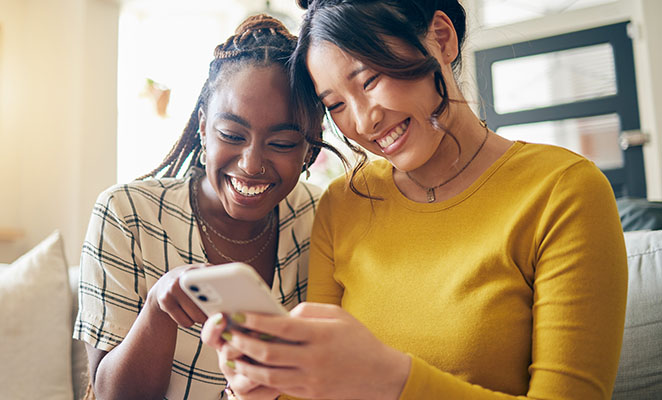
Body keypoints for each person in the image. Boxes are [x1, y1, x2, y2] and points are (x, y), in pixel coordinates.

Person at [201, 1, 628, 399]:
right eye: (335, 105)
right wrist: (263, 390)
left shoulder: (562, 191)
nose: (364, 121)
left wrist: (390, 376)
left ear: (441, 39)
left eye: (370, 79)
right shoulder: (344, 202)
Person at [73, 14, 339, 399]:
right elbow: (111, 394)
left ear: (310, 148)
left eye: (281, 143)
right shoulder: (126, 213)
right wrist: (157, 309)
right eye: (232, 134)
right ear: (202, 127)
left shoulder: (319, 217)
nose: (251, 164)